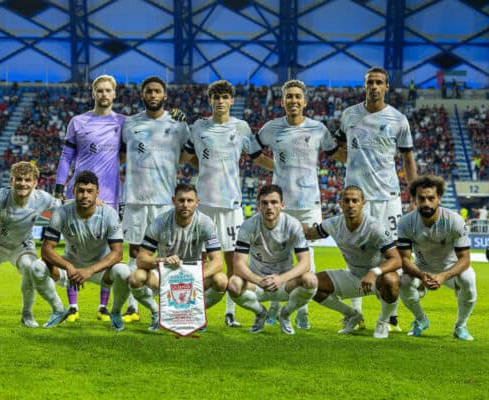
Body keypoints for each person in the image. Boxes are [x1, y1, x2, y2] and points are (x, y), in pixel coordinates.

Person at [182, 80, 273, 328]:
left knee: (235, 264)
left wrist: (281, 170)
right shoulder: (198, 127)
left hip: (231, 205)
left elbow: (258, 158)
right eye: (216, 97)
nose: (221, 101)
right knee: (202, 262)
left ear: (232, 101)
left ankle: (231, 313)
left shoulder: (241, 128)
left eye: (225, 97)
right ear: (210, 100)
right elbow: (185, 157)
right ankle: (195, 311)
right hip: (204, 206)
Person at [251, 79, 340, 330]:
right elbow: (253, 151)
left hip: (309, 203)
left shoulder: (318, 129)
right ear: (282, 101)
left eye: (297, 96)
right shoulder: (271, 128)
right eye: (288, 96)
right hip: (282, 204)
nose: (293, 101)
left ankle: (302, 311)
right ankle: (275, 308)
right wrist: (274, 167)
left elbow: (335, 152)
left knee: (307, 260)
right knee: (277, 257)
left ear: (305, 101)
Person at [336, 66, 417, 332]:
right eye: (370, 82)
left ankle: (389, 317)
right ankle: (355, 314)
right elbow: (336, 149)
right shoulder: (349, 115)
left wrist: (413, 193)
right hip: (357, 199)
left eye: (379, 82)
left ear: (386, 87)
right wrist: (354, 164)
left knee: (395, 255)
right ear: (364, 85)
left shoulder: (398, 119)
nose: (373, 86)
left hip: (387, 198)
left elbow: (407, 158)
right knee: (355, 254)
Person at [55, 74, 126, 323]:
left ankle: (103, 307)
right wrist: (58, 186)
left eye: (108, 90)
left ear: (114, 94)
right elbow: (66, 157)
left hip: (109, 197)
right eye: (100, 90)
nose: (104, 94)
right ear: (93, 93)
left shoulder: (123, 123)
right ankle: (73, 307)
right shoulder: (78, 122)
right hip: (79, 193)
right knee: (73, 249)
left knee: (106, 252)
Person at [121, 76, 191, 324]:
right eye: (148, 91)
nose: (152, 95)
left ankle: (167, 307)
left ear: (165, 96)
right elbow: (118, 155)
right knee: (135, 252)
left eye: (157, 91)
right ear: (142, 95)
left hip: (164, 200)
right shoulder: (129, 124)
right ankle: (132, 307)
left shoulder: (178, 124)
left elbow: (190, 158)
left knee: (165, 254)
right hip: (136, 199)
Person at [31, 171, 130, 331]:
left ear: (97, 192)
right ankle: (58, 309)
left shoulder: (109, 214)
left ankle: (116, 312)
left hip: (99, 270)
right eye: (81, 190)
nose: (85, 195)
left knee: (124, 271)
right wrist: (69, 267)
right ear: (74, 191)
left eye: (90, 191)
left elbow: (117, 253)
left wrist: (90, 270)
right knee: (36, 267)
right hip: (70, 270)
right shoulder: (62, 213)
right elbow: (47, 250)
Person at [302, 185, 401, 339]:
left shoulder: (375, 227)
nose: (350, 205)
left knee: (391, 279)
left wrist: (374, 272)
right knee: (311, 283)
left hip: (378, 279)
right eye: (347, 201)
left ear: (363, 203)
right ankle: (352, 314)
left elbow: (396, 258)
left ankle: (383, 321)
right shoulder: (333, 224)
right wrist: (286, 219)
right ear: (340, 203)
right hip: (354, 277)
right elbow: (308, 233)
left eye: (355, 201)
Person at [0, 162, 60, 327]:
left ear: (35, 183)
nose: (23, 183)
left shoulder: (42, 198)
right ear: (12, 180)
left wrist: (92, 201)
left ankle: (27, 313)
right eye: (19, 179)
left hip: (22, 245)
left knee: (30, 268)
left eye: (28, 180)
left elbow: (64, 207)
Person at [128, 183, 225, 332]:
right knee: (136, 277)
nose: (185, 205)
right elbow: (141, 259)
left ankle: (194, 313)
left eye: (190, 201)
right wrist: (161, 261)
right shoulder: (159, 223)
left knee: (221, 280)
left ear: (197, 202)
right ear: (174, 200)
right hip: (165, 274)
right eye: (181, 200)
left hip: (193, 274)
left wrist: (194, 279)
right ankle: (157, 313)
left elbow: (218, 262)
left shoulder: (205, 223)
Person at [228, 185, 317, 335]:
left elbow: (305, 263)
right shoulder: (248, 226)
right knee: (233, 283)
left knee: (311, 280)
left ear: (282, 204)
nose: (269, 207)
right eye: (265, 203)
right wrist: (259, 280)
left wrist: (281, 279)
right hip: (257, 284)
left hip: (285, 284)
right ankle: (261, 313)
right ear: (259, 205)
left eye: (274, 202)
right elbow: (238, 264)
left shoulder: (293, 225)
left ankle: (285, 314)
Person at [397, 175, 476, 341]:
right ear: (414, 200)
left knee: (468, 279)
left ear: (439, 198)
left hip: (450, 268)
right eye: (421, 198)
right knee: (403, 281)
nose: (426, 203)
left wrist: (443, 276)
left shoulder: (454, 220)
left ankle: (460, 326)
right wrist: (421, 275)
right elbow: (404, 260)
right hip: (422, 267)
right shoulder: (405, 222)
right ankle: (421, 320)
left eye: (431, 198)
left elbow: (465, 259)